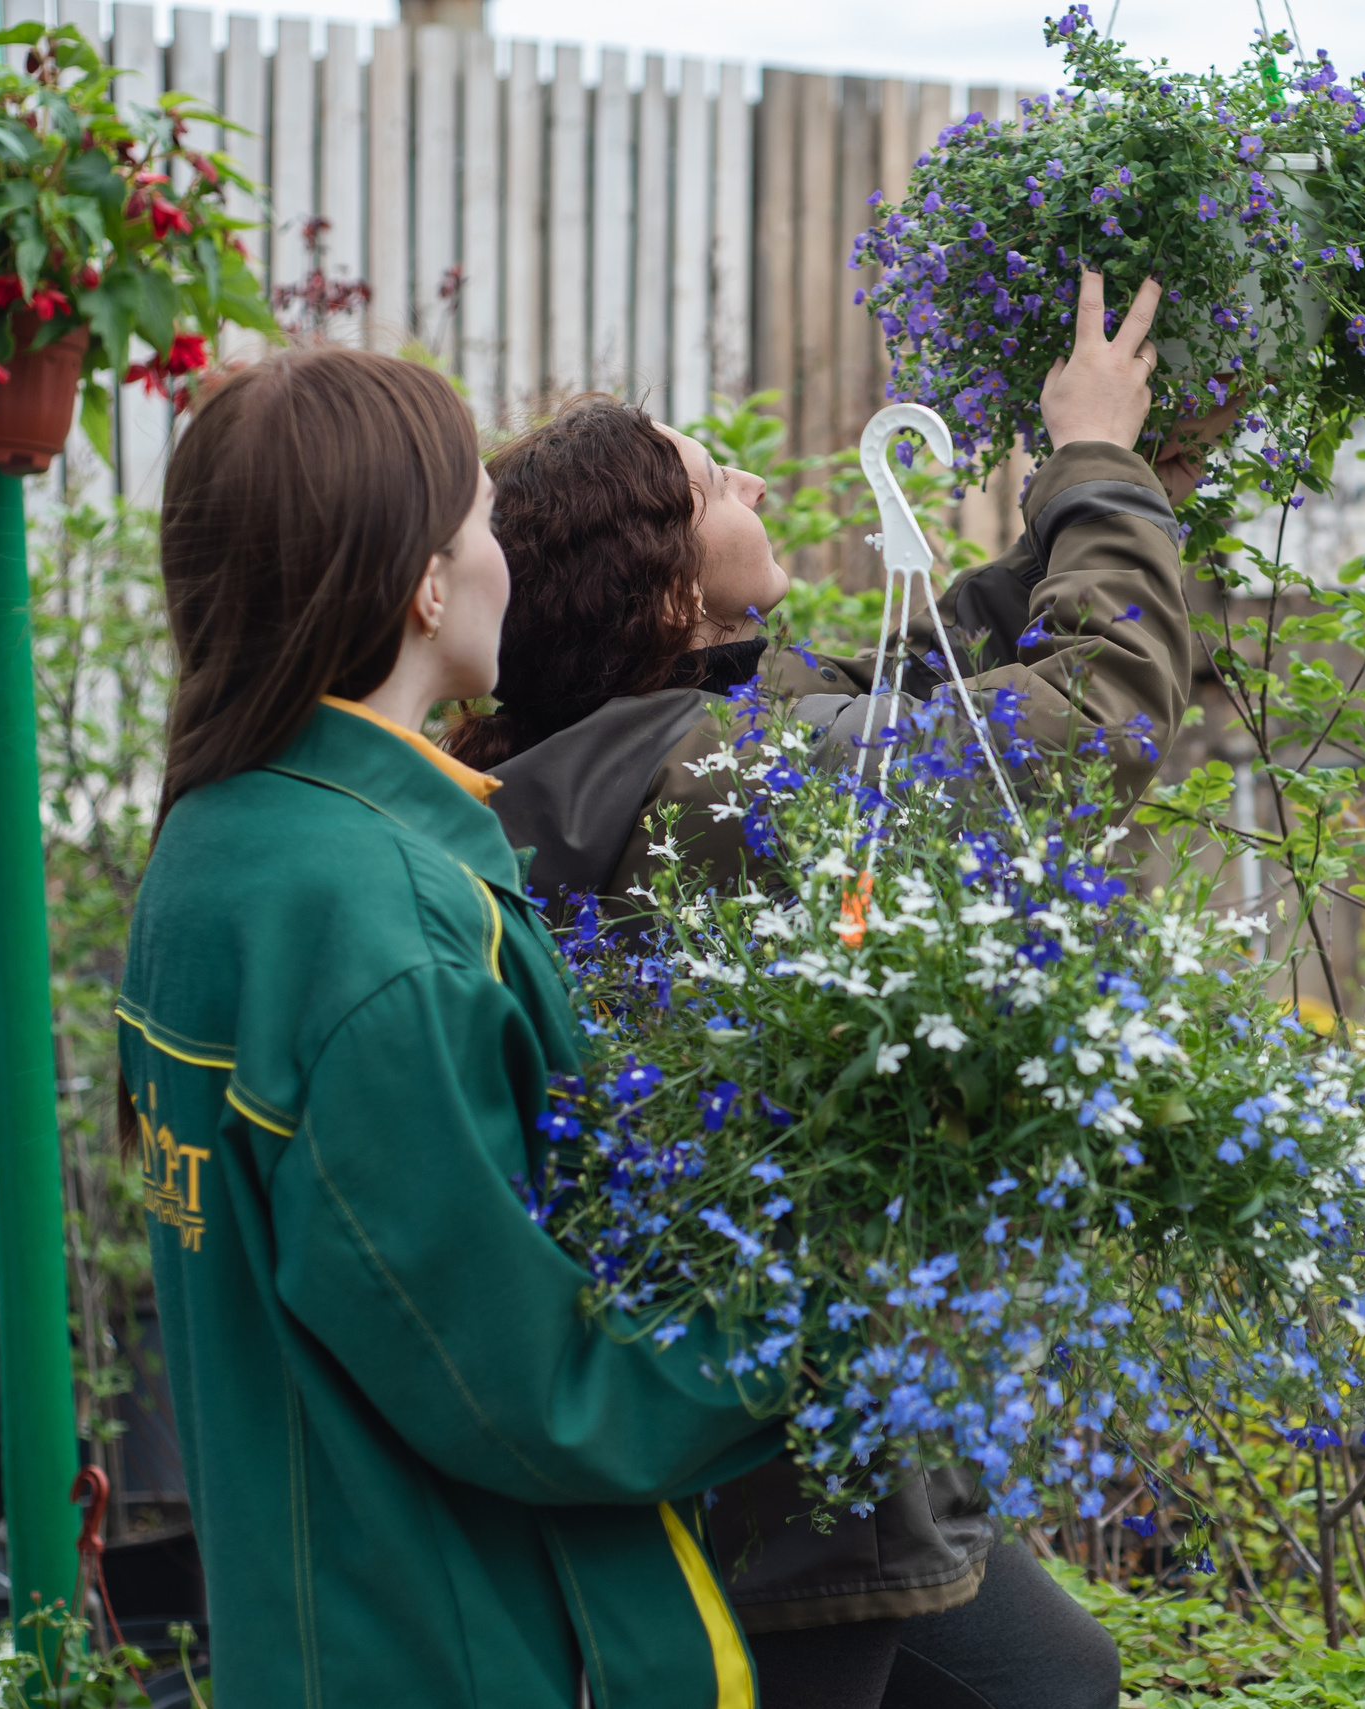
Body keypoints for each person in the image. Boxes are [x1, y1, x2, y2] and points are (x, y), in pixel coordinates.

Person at [451, 273, 1206, 1709]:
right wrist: (1098, 473)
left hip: (801, 1416)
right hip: (774, 1452)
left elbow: (930, 668)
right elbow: (1091, 711)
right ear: (660, 579)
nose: (737, 467)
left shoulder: (642, 747)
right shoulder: (713, 784)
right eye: (700, 472)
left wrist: (1121, 480)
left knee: (1054, 1679)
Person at [119, 345, 786, 1709]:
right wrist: (825, 1317)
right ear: (425, 582)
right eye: (483, 517)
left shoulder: (219, 842)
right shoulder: (381, 924)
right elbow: (530, 1383)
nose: (506, 558)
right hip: (456, 1648)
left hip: (311, 1627)